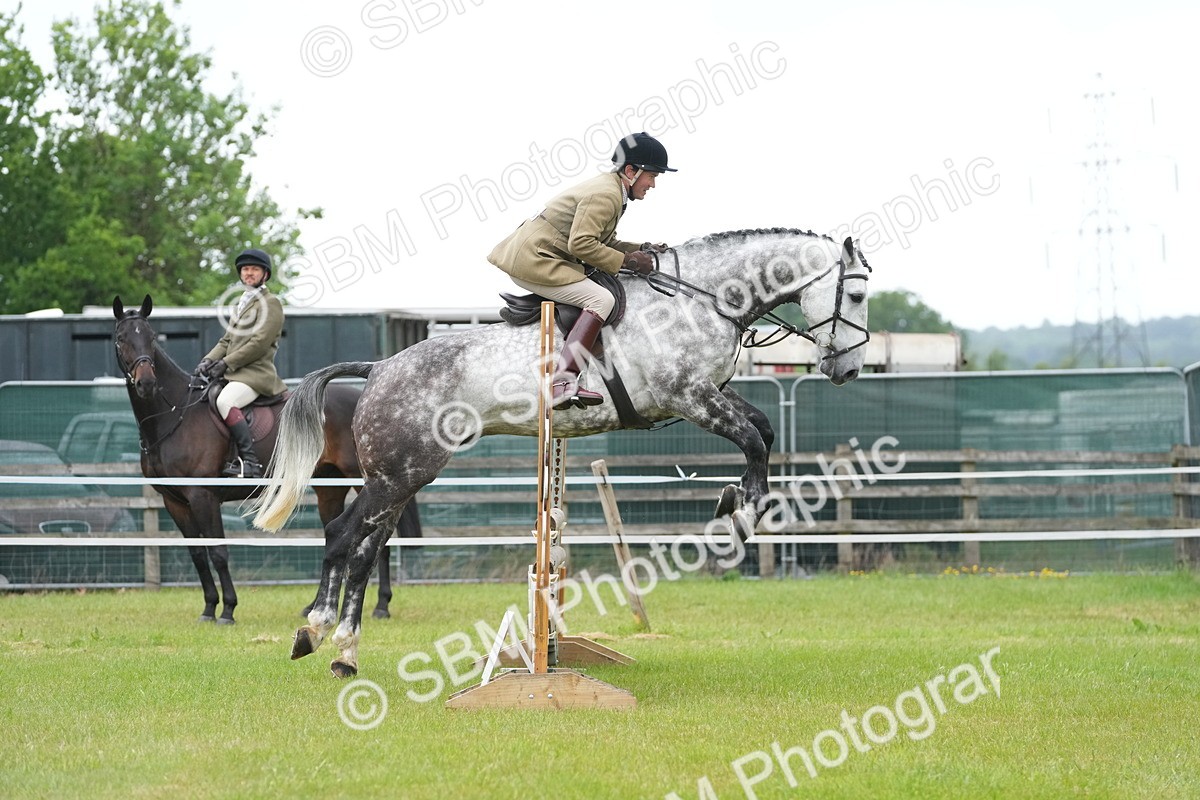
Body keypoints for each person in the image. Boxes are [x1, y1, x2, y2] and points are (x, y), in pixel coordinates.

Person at [488, 131, 676, 410]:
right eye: (652, 175)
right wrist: (628, 262)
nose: (653, 184)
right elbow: (581, 243)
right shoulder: (606, 193)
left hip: (542, 255)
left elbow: (604, 241)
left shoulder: (613, 190)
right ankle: (562, 382)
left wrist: (642, 247)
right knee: (601, 299)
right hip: (534, 259)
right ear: (631, 171)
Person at [193, 248, 288, 478]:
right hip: (235, 373)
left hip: (256, 375)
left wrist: (226, 363)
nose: (249, 273)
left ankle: (250, 462)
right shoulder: (243, 304)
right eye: (245, 269)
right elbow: (227, 340)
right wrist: (207, 360)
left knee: (225, 401)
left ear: (264, 274)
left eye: (254, 269)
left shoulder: (271, 303)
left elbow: (259, 343)